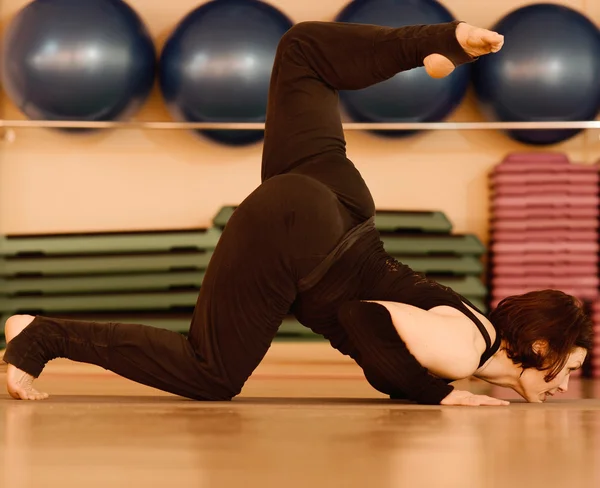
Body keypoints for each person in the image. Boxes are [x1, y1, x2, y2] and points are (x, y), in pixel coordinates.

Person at [2, 20, 592, 406]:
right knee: (211, 374)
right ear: (538, 351)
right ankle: (40, 336)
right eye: (564, 370)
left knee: (302, 52)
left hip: (341, 204)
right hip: (312, 242)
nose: (566, 385)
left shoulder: (476, 328)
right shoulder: (465, 349)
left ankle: (431, 44)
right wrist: (433, 395)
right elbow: (366, 319)